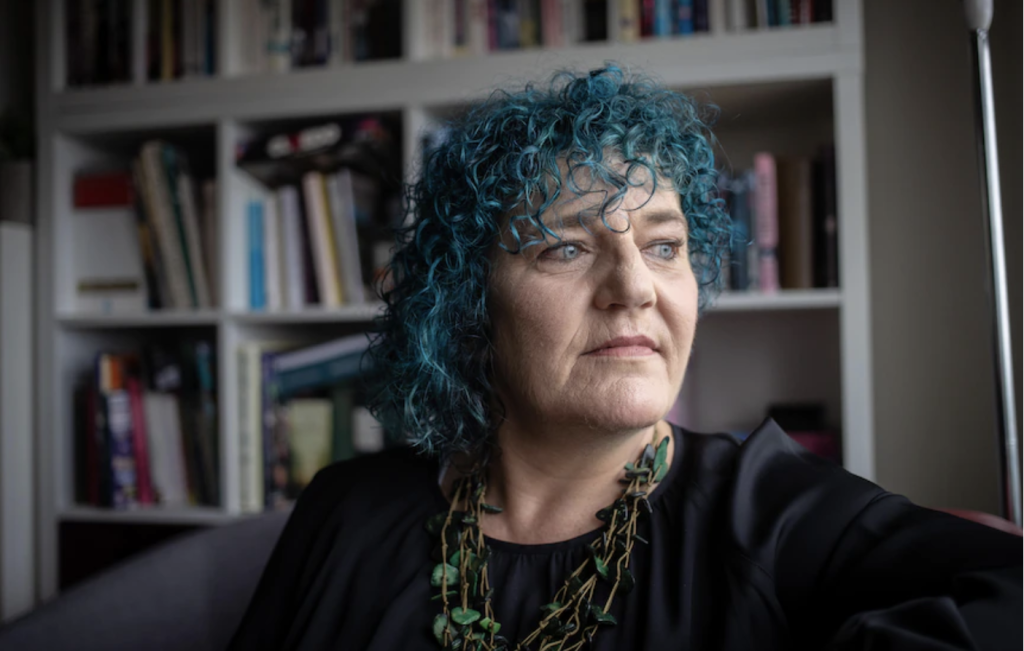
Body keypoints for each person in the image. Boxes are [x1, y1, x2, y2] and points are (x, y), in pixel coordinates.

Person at [227, 66, 1021, 651]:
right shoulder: (346, 509)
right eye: (566, 247)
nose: (635, 287)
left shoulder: (771, 515)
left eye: (664, 245)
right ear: (468, 302)